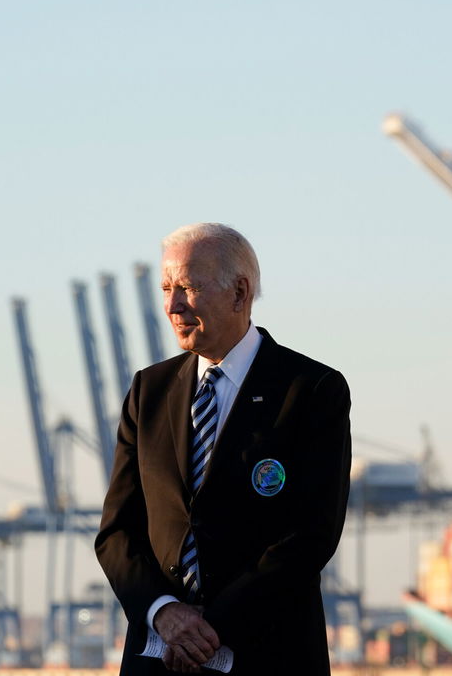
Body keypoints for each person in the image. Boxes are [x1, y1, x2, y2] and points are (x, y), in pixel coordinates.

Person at [95, 223, 352, 675]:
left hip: (267, 657)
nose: (173, 306)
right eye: (166, 288)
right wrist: (164, 613)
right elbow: (117, 533)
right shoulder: (148, 391)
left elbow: (311, 534)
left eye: (188, 288)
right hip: (158, 657)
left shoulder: (311, 390)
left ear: (239, 292)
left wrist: (208, 629)